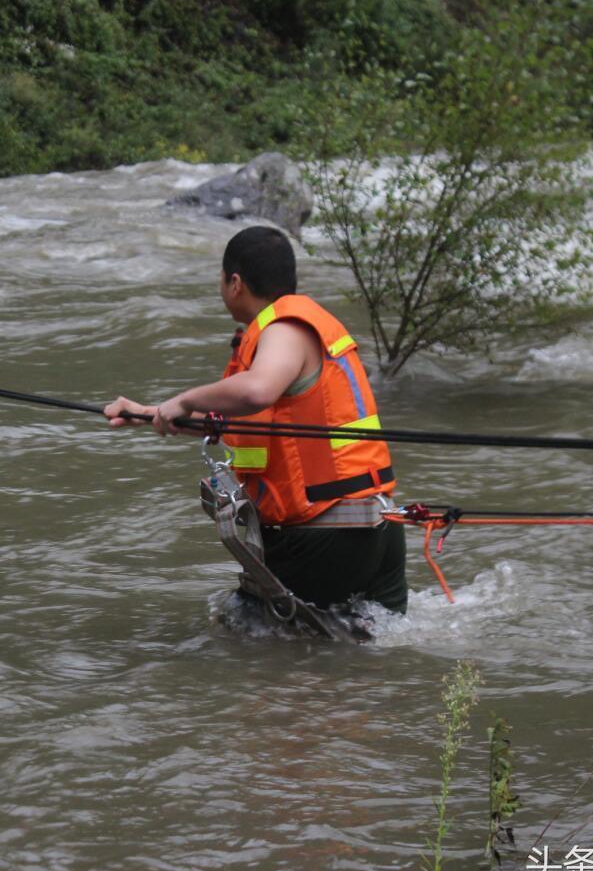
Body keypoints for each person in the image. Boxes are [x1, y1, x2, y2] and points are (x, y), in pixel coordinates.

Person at [104, 225, 407, 614]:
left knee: (243, 639)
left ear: (234, 282)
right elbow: (240, 417)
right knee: (359, 657)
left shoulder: (284, 329)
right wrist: (148, 414)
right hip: (377, 528)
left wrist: (184, 398)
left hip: (328, 535)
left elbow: (256, 391)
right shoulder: (290, 337)